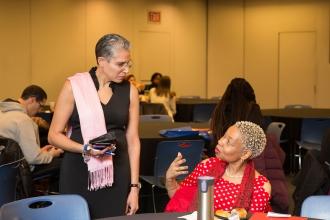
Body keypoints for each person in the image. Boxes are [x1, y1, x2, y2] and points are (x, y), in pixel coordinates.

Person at [48, 33, 141, 218]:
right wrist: (85, 149)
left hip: (117, 173)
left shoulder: (130, 91)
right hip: (78, 170)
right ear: (102, 61)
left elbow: (133, 140)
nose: (126, 69)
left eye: (128, 64)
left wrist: (134, 188)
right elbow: (53, 135)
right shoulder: (74, 86)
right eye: (120, 64)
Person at [209, 77, 289, 213]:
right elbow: (280, 156)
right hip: (267, 196)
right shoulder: (255, 115)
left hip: (228, 193)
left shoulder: (221, 112)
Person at [165, 121, 271, 213]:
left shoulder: (260, 187)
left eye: (228, 141)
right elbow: (179, 200)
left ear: (245, 154)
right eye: (224, 136)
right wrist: (170, 181)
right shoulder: (207, 166)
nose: (220, 141)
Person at [0, 85, 63, 167]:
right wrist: (52, 154)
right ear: (32, 100)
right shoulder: (23, 120)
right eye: (41, 106)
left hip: (5, 166)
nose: (40, 110)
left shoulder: (2, 112)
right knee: (64, 163)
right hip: (19, 170)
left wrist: (39, 151)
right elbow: (33, 159)